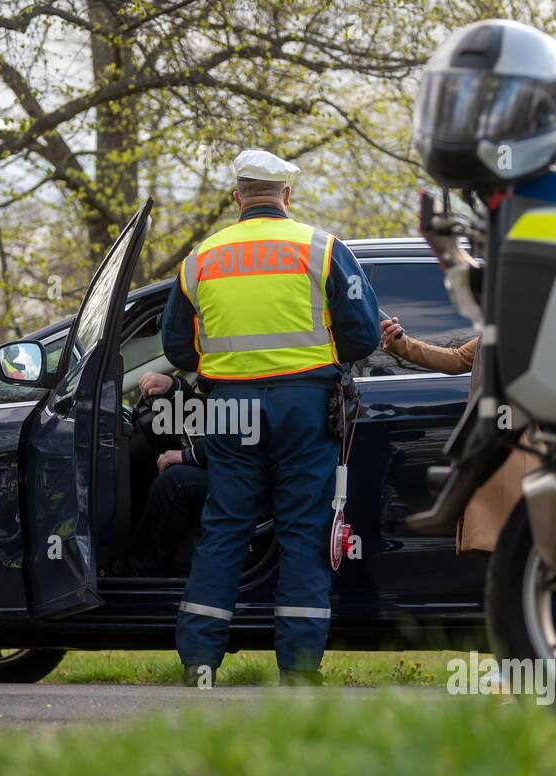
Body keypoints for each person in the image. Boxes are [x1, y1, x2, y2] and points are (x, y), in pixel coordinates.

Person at [162, 149, 381, 687]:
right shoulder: (321, 248)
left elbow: (177, 348)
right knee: (304, 533)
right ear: (286, 195)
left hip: (229, 406)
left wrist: (230, 367)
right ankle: (299, 670)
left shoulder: (200, 259)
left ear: (237, 198)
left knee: (224, 529)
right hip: (305, 406)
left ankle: (199, 663)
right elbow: (364, 335)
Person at [378, 318, 535, 554]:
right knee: (507, 547)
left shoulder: (534, 331)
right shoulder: (500, 329)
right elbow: (458, 358)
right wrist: (402, 342)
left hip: (517, 445)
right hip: (497, 444)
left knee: (518, 546)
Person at [120, 371, 210, 577]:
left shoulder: (256, 376)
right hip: (232, 462)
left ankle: (136, 574)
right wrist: (173, 387)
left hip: (253, 475)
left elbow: (243, 433)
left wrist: (191, 455)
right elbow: (211, 413)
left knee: (174, 482)